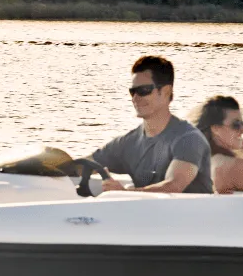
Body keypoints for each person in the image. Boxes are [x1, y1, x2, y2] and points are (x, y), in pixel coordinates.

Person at [89, 55, 213, 194]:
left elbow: (173, 186)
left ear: (166, 92)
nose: (135, 98)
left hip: (190, 209)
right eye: (132, 92)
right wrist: (66, 165)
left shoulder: (189, 139)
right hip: (145, 208)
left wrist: (124, 193)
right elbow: (83, 166)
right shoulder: (129, 142)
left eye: (143, 90)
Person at [192, 95, 243, 194]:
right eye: (236, 125)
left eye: (242, 124)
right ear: (216, 128)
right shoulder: (236, 166)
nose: (242, 130)